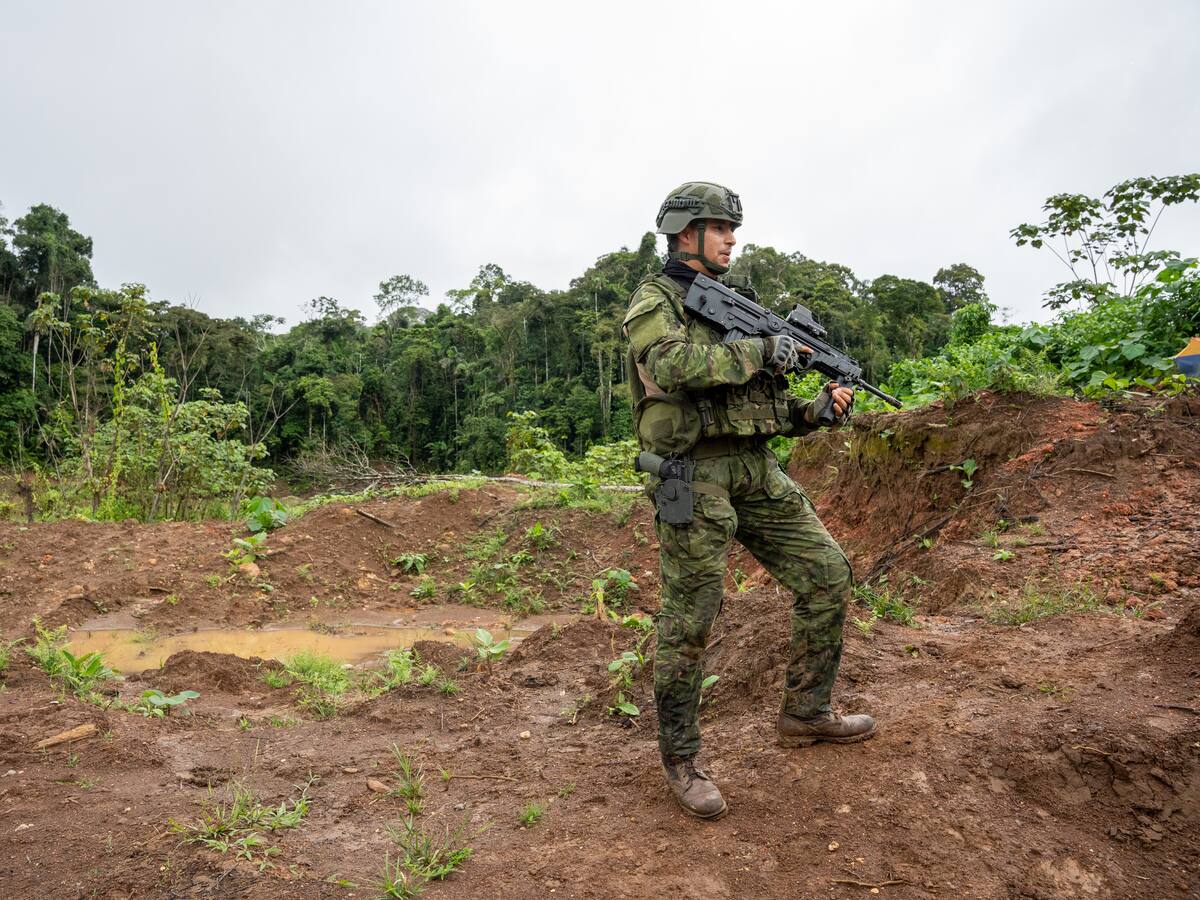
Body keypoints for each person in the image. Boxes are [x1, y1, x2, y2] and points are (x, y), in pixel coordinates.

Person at [622, 181, 875, 820]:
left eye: (732, 229)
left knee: (827, 573)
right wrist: (765, 349)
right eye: (721, 228)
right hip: (689, 477)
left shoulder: (735, 304)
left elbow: (754, 407)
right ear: (687, 232)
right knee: (692, 617)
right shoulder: (655, 301)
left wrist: (812, 409)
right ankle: (680, 762)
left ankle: (806, 712)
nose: (733, 239)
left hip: (753, 469)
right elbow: (673, 367)